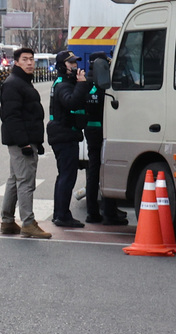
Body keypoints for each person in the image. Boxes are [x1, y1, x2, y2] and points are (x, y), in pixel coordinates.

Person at [0, 47, 50, 238]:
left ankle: (7, 222)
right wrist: (25, 143)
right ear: (17, 62)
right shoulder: (14, 84)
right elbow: (11, 117)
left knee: (14, 181)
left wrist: (36, 141)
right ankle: (28, 223)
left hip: (26, 139)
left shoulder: (22, 82)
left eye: (31, 59)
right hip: (22, 142)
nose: (30, 63)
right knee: (26, 182)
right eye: (25, 59)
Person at [80, 52, 128, 225]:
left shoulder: (85, 83)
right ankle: (109, 212)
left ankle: (93, 212)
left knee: (93, 171)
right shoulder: (104, 82)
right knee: (107, 169)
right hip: (103, 129)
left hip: (90, 129)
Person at [46, 50, 87, 228]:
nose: (75, 66)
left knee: (64, 175)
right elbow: (71, 102)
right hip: (64, 135)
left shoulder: (65, 82)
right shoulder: (63, 84)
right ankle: (62, 215)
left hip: (65, 134)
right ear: (63, 66)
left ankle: (60, 213)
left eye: (75, 62)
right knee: (67, 176)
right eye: (71, 63)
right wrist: (82, 85)